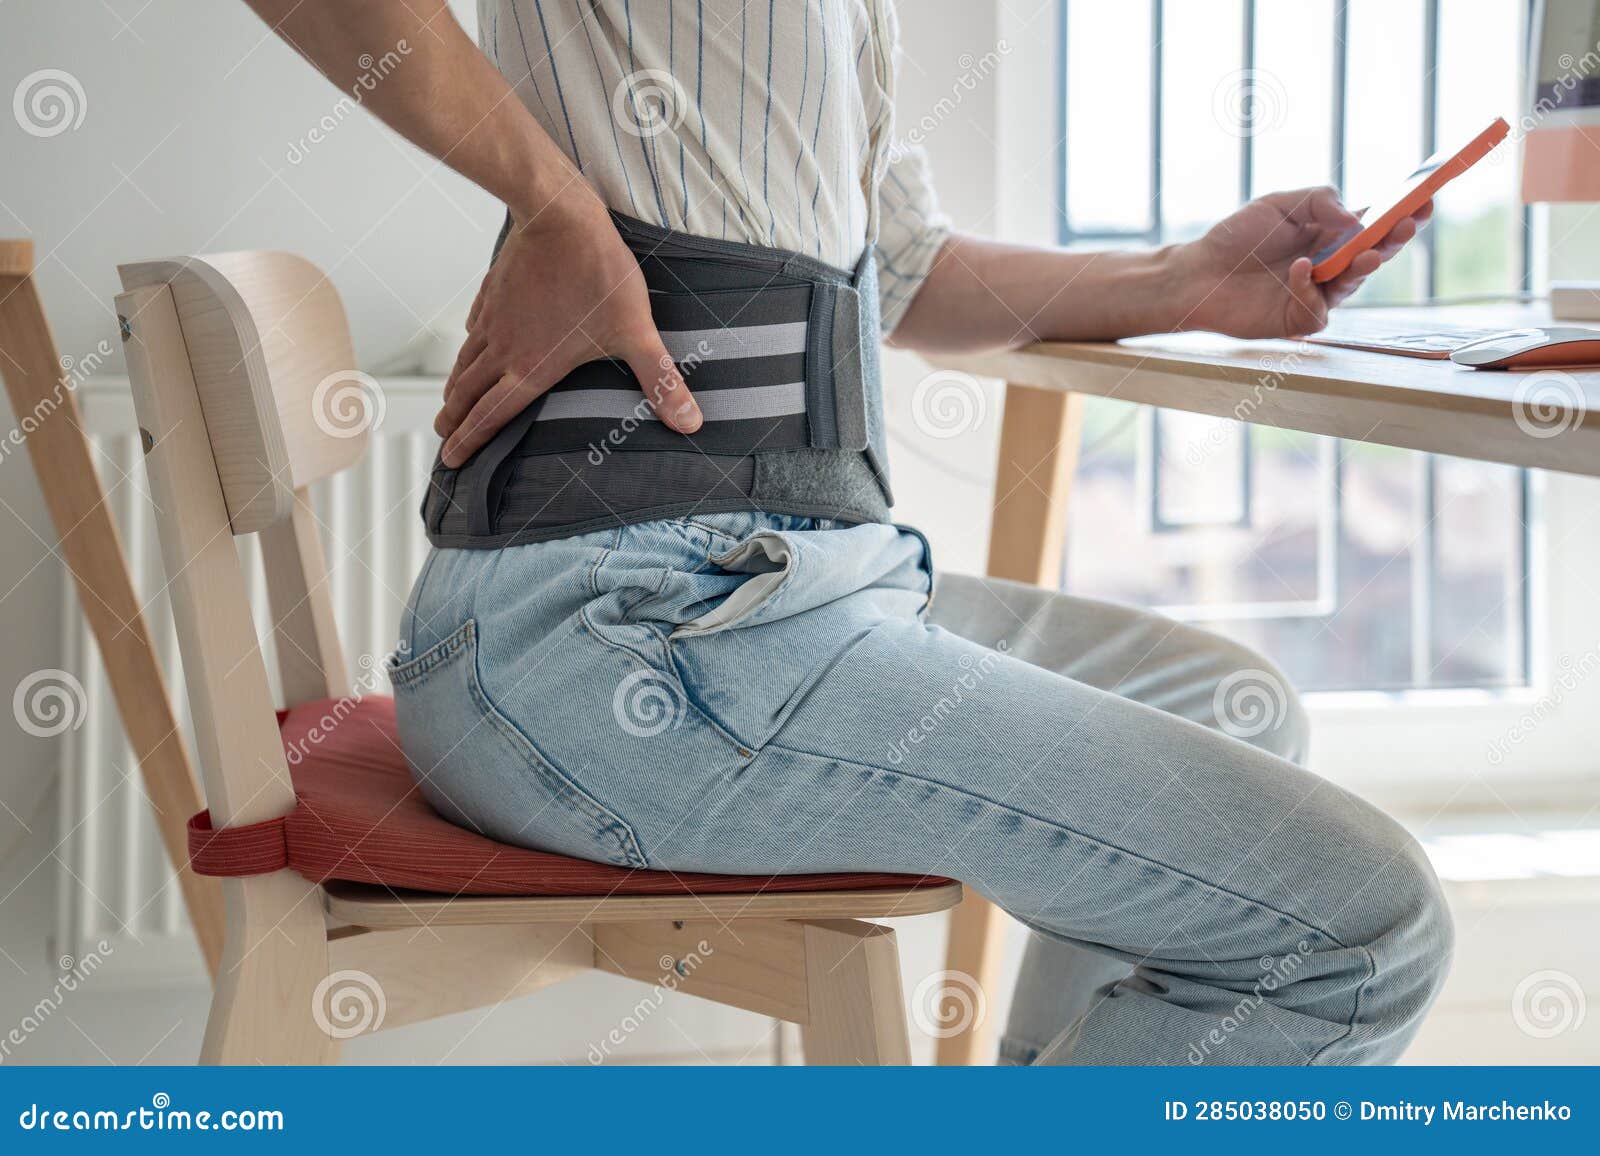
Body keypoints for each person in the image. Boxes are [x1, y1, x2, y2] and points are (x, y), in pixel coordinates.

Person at [245, 0, 1450, 1065]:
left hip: (788, 588)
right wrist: (551, 202)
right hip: (621, 633)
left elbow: (907, 274)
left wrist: (1178, 278)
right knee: (1358, 927)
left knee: (1228, 699)